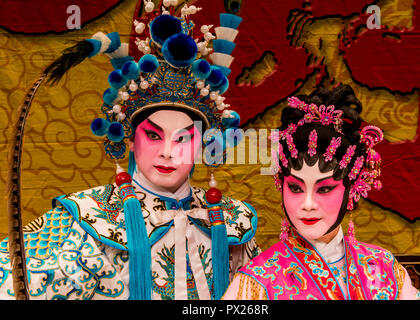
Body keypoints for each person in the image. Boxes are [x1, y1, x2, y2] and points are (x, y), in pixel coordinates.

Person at [0, 4, 259, 300]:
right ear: (131, 138)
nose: (167, 152)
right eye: (153, 135)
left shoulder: (233, 221)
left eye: (183, 139)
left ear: (202, 144)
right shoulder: (86, 219)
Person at [222, 84, 420, 300]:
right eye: (295, 188)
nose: (308, 204)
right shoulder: (258, 281)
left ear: (352, 187)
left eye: (325, 189)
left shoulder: (384, 269)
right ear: (281, 186)